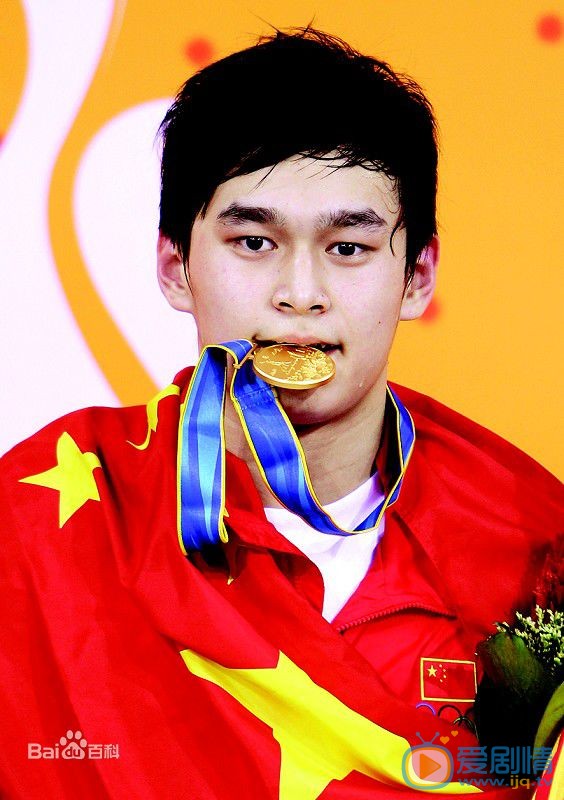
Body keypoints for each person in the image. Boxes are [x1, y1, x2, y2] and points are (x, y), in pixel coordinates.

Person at [0, 28, 561, 800]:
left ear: (418, 277)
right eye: (254, 241)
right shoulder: (35, 529)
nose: (300, 294)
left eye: (348, 248)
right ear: (175, 267)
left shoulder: (532, 553)